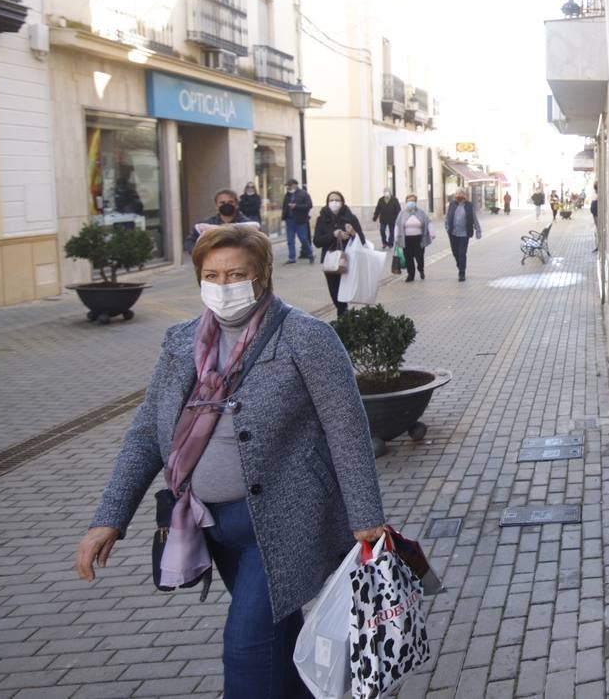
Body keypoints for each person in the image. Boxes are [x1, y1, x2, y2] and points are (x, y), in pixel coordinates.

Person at [74, 224, 385, 699]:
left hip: (283, 522)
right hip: (210, 524)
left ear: (262, 276)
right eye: (212, 275)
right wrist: (109, 518)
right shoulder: (180, 343)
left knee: (245, 650)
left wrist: (365, 516)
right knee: (276, 642)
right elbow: (144, 435)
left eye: (236, 274)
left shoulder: (307, 337)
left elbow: (347, 429)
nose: (223, 286)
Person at [313, 191, 367, 317]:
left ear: (342, 202)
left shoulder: (351, 218)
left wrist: (353, 232)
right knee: (335, 293)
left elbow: (362, 239)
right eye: (331, 200)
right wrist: (334, 235)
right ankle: (344, 316)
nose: (334, 203)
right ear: (327, 202)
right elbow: (317, 241)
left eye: (337, 200)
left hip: (348, 260)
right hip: (330, 262)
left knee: (344, 294)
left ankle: (343, 318)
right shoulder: (322, 219)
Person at [445, 188, 482, 282]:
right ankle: (460, 265)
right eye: (456, 194)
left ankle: (462, 273)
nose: (458, 196)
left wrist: (478, 230)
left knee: (462, 253)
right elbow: (447, 216)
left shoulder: (469, 205)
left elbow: (474, 218)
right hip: (453, 233)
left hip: (464, 233)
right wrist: (447, 226)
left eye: (460, 194)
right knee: (455, 253)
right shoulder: (452, 204)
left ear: (464, 196)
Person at [399, 193, 433, 282]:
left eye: (413, 201)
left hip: (418, 239)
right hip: (406, 239)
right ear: (406, 202)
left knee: (419, 257)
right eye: (409, 201)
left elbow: (428, 222)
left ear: (416, 202)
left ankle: (421, 269)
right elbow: (397, 225)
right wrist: (396, 236)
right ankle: (411, 275)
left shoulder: (421, 212)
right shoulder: (402, 213)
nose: (411, 202)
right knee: (408, 257)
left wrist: (432, 233)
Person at [281, 180, 314, 265]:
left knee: (303, 239)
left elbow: (309, 205)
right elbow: (284, 206)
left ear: (295, 185)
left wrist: (296, 206)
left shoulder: (303, 194)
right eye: (287, 185)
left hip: (300, 220)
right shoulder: (287, 195)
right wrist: (284, 216)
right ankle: (292, 258)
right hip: (289, 220)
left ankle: (310, 254)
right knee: (290, 240)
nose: (288, 187)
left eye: (290, 185)